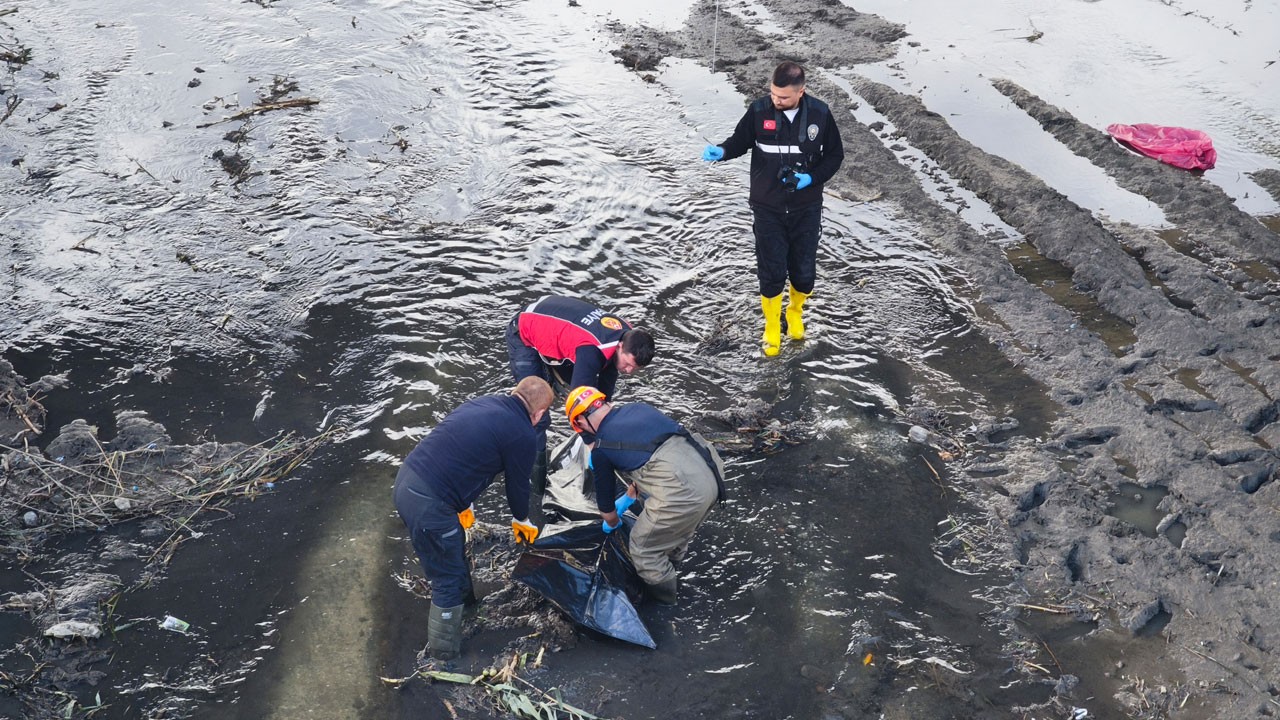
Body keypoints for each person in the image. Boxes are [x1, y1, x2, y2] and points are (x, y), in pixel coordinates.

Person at [392, 377, 554, 660]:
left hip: (407, 480)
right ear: (539, 414)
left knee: (451, 552)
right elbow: (517, 486)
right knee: (447, 580)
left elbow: (460, 450)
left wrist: (463, 504)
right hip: (431, 503)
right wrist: (521, 520)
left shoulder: (486, 402)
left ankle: (468, 609)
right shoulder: (522, 433)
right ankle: (443, 657)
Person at [701, 61, 845, 357]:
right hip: (767, 207)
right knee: (772, 272)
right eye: (773, 95)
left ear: (801, 92)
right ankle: (770, 324)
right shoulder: (758, 111)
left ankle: (794, 311)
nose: (776, 101)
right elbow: (740, 141)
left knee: (804, 273)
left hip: (806, 208)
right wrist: (723, 151)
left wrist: (810, 179)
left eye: (783, 98)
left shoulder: (820, 113)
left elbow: (835, 156)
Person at [564, 386, 726, 606]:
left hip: (684, 491)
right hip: (712, 471)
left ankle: (666, 604)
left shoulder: (601, 448)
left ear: (580, 423)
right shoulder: (637, 408)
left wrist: (613, 523)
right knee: (677, 530)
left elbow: (607, 511)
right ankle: (671, 567)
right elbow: (648, 452)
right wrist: (631, 495)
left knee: (643, 548)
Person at [506, 295, 656, 491]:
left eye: (633, 368)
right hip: (524, 330)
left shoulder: (627, 335)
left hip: (557, 320)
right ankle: (535, 483)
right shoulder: (592, 349)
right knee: (538, 416)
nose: (628, 371)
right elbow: (578, 406)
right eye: (627, 364)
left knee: (596, 398)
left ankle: (553, 375)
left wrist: (602, 424)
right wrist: (591, 444)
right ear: (620, 347)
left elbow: (603, 393)